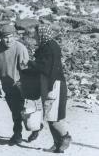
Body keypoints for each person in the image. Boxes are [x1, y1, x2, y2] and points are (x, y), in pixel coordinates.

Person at [0, 24, 41, 145]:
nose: (8, 40)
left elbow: (26, 69)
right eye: (5, 37)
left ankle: (32, 129)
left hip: (20, 86)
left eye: (10, 36)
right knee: (15, 112)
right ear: (0, 37)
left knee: (22, 111)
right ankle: (21, 132)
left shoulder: (20, 48)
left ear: (14, 36)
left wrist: (27, 86)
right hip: (7, 86)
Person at [28, 24, 72, 153]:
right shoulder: (47, 46)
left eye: (36, 34)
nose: (34, 36)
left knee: (53, 118)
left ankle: (65, 137)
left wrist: (31, 63)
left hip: (53, 85)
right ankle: (57, 146)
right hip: (50, 84)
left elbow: (45, 68)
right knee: (50, 117)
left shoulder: (50, 47)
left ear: (41, 34)